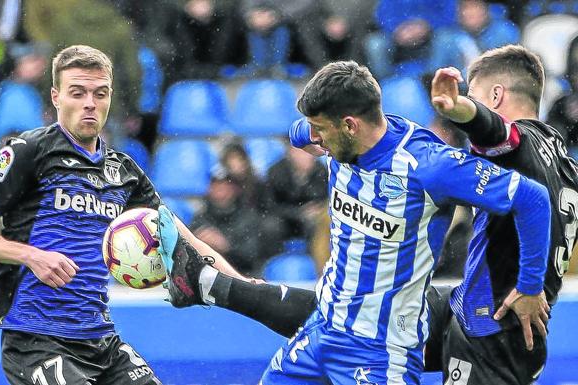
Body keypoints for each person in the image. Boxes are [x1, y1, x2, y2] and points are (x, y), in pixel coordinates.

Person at [161, 60, 552, 384]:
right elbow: (302, 133)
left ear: (350, 125)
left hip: (382, 353)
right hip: (321, 332)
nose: (314, 138)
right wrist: (307, 133)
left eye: (320, 129)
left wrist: (530, 286)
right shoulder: (333, 137)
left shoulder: (429, 167)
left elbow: (533, 199)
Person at [0, 44, 245, 385]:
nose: (90, 103)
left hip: (101, 339)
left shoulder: (124, 171)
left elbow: (182, 237)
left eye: (99, 93)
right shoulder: (28, 151)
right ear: (56, 97)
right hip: (38, 340)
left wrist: (243, 287)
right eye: (77, 93)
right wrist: (31, 256)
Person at [425, 44, 578, 385]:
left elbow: (494, 129)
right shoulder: (566, 165)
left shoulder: (518, 145)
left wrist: (457, 107)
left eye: (473, 93)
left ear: (495, 96)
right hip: (484, 315)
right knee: (370, 319)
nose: (471, 99)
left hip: (493, 332)